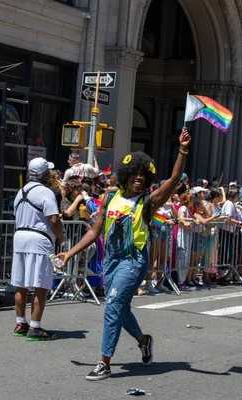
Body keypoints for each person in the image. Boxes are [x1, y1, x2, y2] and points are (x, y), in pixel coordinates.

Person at [57, 127, 192, 380]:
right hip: (111, 261)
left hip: (134, 260)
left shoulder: (148, 202)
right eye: (135, 174)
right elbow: (95, 231)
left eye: (143, 175)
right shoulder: (110, 198)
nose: (139, 178)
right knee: (120, 308)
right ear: (127, 175)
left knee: (113, 306)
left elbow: (173, 181)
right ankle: (143, 340)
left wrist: (182, 150)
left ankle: (104, 362)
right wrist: (69, 253)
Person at [11, 157, 64, 341]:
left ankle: (20, 323)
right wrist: (60, 236)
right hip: (39, 240)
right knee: (41, 285)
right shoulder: (46, 192)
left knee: (22, 284)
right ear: (44, 174)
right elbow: (54, 219)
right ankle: (35, 327)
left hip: (20, 238)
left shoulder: (21, 192)